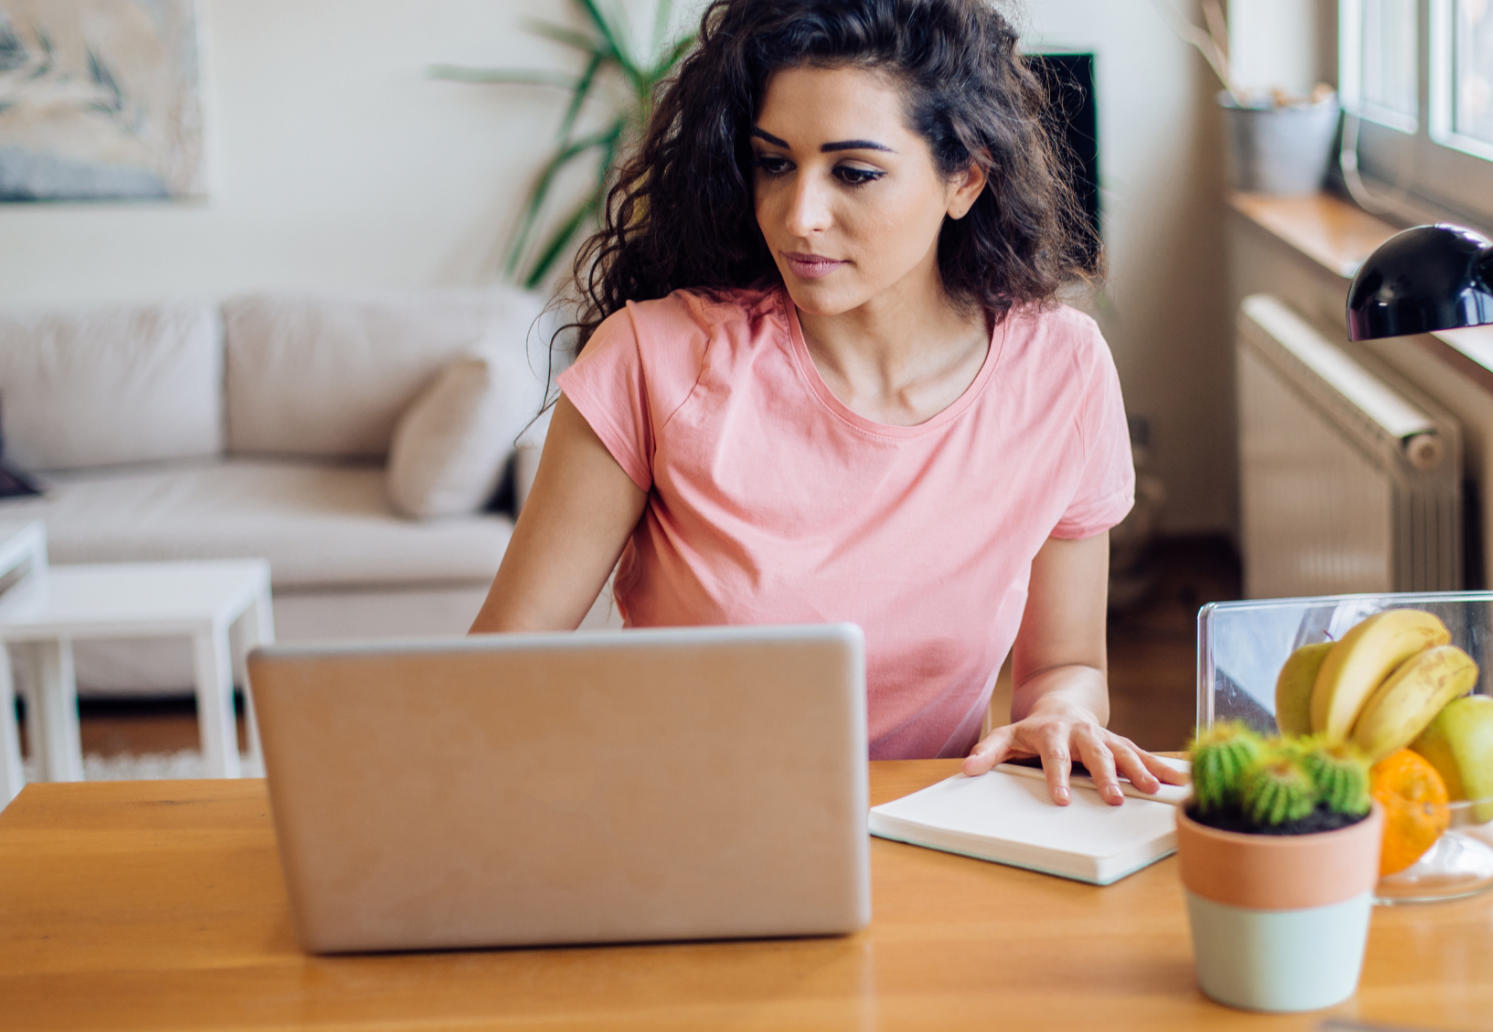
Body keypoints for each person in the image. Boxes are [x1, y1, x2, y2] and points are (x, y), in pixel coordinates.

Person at [471, 0, 1183, 805]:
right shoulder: (654, 359)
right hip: (677, 832)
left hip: (924, 844)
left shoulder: (1062, 371)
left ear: (966, 178)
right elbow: (500, 670)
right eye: (776, 162)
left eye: (854, 172)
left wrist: (1062, 716)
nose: (798, 215)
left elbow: (1066, 667)